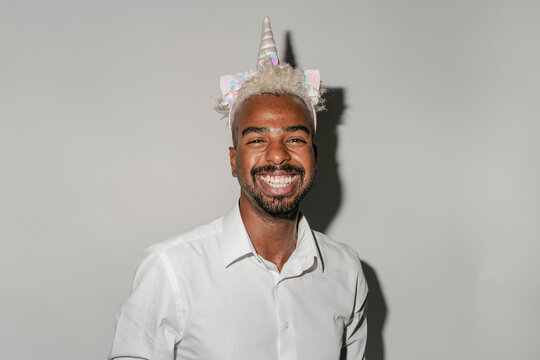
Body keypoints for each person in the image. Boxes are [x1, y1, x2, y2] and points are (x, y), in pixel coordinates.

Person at [109, 17, 368, 360]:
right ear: (234, 160)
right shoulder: (171, 270)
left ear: (315, 157)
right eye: (258, 139)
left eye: (295, 138)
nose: (278, 155)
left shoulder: (346, 271)